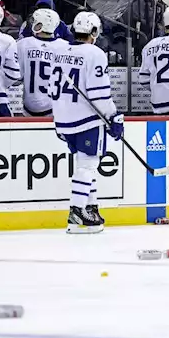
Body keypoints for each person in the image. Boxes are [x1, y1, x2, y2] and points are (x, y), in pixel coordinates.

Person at [56, 12, 119, 234]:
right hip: (86, 120)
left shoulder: (60, 50)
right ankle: (77, 211)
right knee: (88, 165)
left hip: (62, 119)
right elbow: (99, 95)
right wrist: (113, 117)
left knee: (84, 164)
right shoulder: (95, 53)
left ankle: (90, 207)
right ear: (94, 32)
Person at [14, 8, 64, 116]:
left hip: (29, 108)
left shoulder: (23, 44)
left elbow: (17, 78)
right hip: (55, 108)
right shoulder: (65, 47)